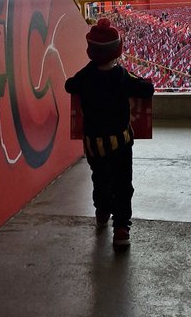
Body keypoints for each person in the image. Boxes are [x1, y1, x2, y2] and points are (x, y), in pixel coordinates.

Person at [65, 15, 154, 249]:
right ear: (117, 51)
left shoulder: (85, 77)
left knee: (100, 178)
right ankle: (121, 228)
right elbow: (147, 89)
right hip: (120, 144)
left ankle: (102, 211)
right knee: (122, 184)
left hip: (93, 144)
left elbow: (69, 85)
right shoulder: (122, 77)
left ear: (90, 52)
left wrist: (89, 70)